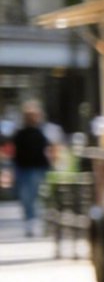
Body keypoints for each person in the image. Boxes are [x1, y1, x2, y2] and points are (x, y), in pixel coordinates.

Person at [12, 101, 56, 237]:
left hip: (38, 169)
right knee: (25, 198)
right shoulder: (20, 133)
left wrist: (52, 162)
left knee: (36, 196)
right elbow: (14, 152)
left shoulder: (43, 131)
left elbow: (51, 148)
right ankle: (30, 221)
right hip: (23, 169)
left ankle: (35, 222)